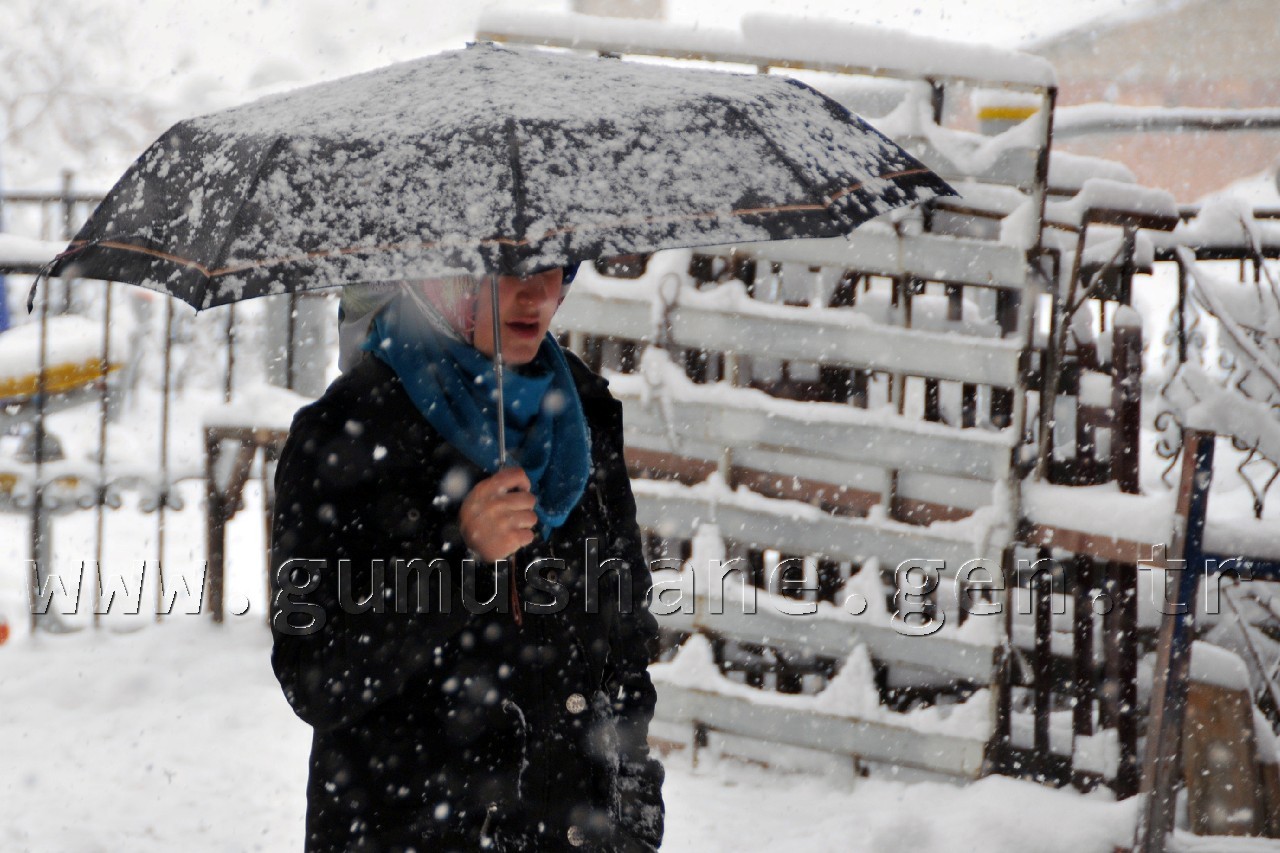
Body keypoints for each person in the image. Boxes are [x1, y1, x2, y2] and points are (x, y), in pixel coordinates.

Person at [269, 266, 665, 852]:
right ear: (440, 276)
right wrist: (463, 560)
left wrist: (631, 809)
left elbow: (624, 632)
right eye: (506, 269)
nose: (535, 293)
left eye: (553, 264)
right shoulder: (345, 433)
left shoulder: (581, 415)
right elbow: (317, 679)